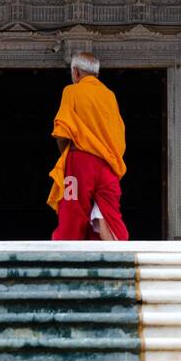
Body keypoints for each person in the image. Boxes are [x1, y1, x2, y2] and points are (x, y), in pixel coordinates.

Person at [46, 52, 129, 241]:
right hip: (108, 165)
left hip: (79, 164)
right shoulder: (109, 96)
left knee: (72, 209)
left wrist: (65, 157)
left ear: (76, 72)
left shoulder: (71, 91)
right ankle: (115, 257)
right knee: (108, 214)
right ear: (96, 75)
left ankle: (66, 259)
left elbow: (61, 132)